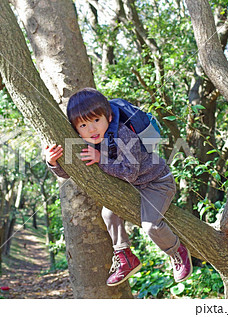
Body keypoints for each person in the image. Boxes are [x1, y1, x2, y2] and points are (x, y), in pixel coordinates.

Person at [45, 87, 192, 286]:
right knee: (108, 214)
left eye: (97, 120)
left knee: (151, 225)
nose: (91, 129)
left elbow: (130, 172)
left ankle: (177, 252)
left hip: (156, 183)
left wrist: (100, 158)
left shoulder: (123, 134)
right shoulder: (84, 141)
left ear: (109, 116)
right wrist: (53, 162)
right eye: (83, 125)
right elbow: (72, 173)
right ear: (75, 128)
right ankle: (126, 257)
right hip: (131, 188)